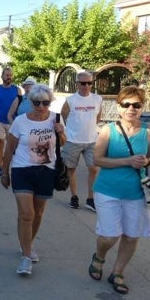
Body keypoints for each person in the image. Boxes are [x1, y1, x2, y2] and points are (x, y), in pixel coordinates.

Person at [87, 86, 150, 295]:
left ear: (142, 108)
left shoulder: (149, 131)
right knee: (110, 235)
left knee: (131, 236)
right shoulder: (109, 130)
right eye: (126, 104)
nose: (131, 109)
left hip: (136, 193)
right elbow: (97, 159)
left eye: (136, 105)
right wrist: (127, 161)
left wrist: (146, 160)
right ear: (118, 107)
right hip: (108, 191)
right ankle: (99, 256)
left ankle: (117, 272)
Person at [0, 84, 66, 275]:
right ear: (31, 102)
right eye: (37, 102)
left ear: (50, 102)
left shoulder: (56, 119)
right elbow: (9, 149)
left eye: (45, 102)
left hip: (46, 171)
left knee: (38, 212)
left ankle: (27, 244)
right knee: (26, 214)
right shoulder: (21, 121)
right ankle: (26, 257)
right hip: (22, 170)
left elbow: (63, 143)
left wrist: (60, 131)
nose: (41, 106)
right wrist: (5, 172)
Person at [61, 72, 103, 211]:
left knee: (94, 169)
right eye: (83, 83)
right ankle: (74, 197)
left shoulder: (98, 99)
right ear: (77, 84)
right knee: (71, 170)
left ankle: (90, 199)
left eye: (89, 83)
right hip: (73, 140)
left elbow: (98, 117)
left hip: (92, 140)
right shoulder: (70, 100)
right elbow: (63, 116)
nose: (86, 86)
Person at [0, 67, 21, 178]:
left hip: (12, 122)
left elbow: (20, 107)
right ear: (2, 76)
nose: (9, 77)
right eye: (7, 75)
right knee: (0, 144)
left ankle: (13, 166)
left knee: (12, 145)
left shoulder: (17, 90)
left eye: (10, 75)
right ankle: (1, 167)